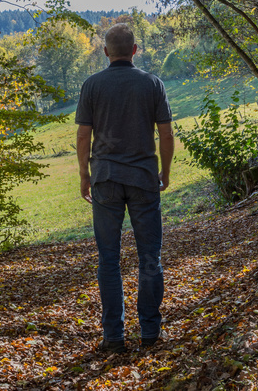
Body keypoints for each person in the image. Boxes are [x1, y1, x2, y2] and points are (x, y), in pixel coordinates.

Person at [76, 23, 174, 354]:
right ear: (135, 50)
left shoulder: (92, 85)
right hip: (144, 178)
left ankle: (114, 336)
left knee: (108, 258)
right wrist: (166, 171)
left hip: (105, 178)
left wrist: (83, 174)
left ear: (106, 52)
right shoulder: (152, 84)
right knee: (149, 255)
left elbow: (82, 136)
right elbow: (166, 134)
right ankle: (150, 331)